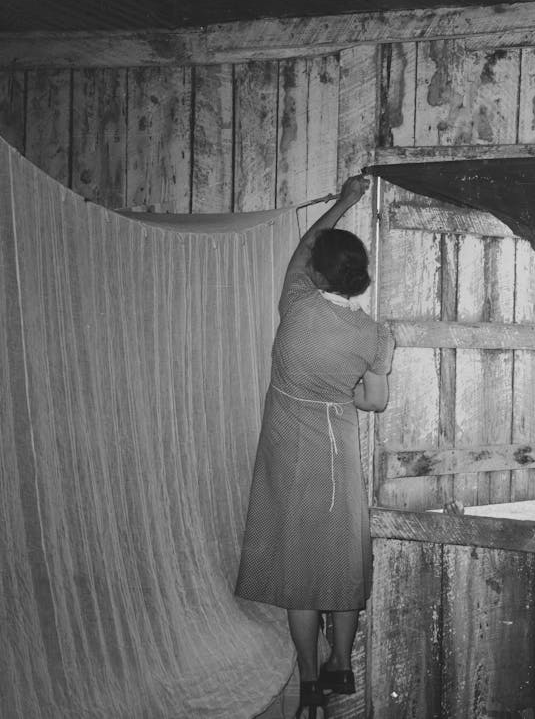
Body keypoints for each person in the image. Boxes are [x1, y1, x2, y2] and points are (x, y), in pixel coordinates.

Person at [235, 174, 395, 719]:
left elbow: (304, 246)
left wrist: (345, 201)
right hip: (336, 457)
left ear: (319, 273)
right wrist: (345, 389)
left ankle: (307, 679)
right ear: (360, 279)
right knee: (340, 565)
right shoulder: (375, 335)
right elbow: (375, 404)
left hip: (285, 456)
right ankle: (342, 662)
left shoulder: (296, 304)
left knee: (299, 571)